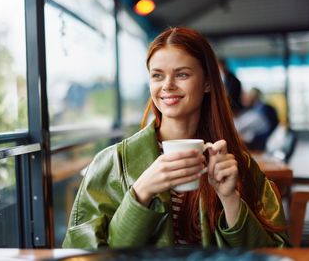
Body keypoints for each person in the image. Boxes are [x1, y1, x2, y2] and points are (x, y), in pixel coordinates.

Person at [62, 27, 289, 249]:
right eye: (157, 75)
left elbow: (275, 253)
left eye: (182, 74)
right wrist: (141, 192)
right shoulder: (112, 163)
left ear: (208, 82)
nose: (167, 85)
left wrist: (230, 199)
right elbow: (86, 252)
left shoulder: (240, 165)